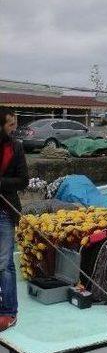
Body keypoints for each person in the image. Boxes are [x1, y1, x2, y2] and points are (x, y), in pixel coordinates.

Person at [0, 108, 28, 331]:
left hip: (4, 212)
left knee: (5, 264)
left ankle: (9, 311)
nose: (14, 128)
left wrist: (1, 183)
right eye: (10, 124)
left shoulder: (16, 147)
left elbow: (23, 181)